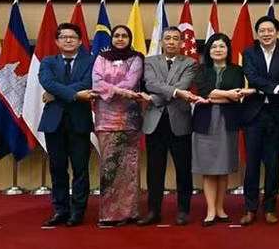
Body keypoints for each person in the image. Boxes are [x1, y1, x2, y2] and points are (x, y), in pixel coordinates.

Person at [38, 23, 97, 227]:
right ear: (57, 41)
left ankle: (78, 211)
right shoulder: (47, 62)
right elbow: (47, 82)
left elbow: (87, 84)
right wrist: (72, 95)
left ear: (80, 41)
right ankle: (60, 210)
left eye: (72, 37)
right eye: (64, 37)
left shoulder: (91, 60)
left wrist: (56, 94)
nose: (68, 40)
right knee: (57, 169)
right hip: (53, 122)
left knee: (80, 169)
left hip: (79, 122)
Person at [138, 27, 199, 227]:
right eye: (167, 38)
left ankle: (183, 210)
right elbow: (150, 83)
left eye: (175, 39)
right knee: (155, 170)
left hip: (179, 121)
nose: (171, 42)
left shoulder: (189, 62)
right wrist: (171, 92)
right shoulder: (149, 61)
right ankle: (153, 211)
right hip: (155, 123)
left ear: (182, 43)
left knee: (183, 169)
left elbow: (184, 86)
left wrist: (155, 97)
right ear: (161, 42)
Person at [239, 16, 279, 225]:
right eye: (262, 30)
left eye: (270, 30)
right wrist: (277, 89)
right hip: (253, 114)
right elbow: (252, 77)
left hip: (276, 114)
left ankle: (270, 207)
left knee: (272, 164)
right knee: (252, 164)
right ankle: (250, 208)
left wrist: (273, 87)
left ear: (277, 33)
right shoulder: (249, 53)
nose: (266, 34)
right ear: (257, 34)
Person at [92, 25, 150, 228]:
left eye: (124, 36)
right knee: (109, 167)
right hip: (105, 119)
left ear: (129, 38)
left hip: (128, 118)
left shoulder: (136, 58)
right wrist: (115, 89)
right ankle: (109, 214)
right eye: (116, 35)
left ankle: (130, 212)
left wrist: (110, 88)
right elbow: (96, 82)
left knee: (128, 167)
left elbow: (130, 82)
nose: (120, 39)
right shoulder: (101, 57)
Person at [193, 33, 253, 226]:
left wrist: (216, 96)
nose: (218, 50)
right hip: (205, 122)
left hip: (228, 122)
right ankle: (210, 210)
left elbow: (237, 94)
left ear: (228, 50)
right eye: (214, 47)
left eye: (222, 46)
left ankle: (220, 208)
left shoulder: (237, 70)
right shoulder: (201, 69)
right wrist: (226, 94)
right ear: (208, 51)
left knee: (223, 167)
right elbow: (204, 90)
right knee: (209, 169)